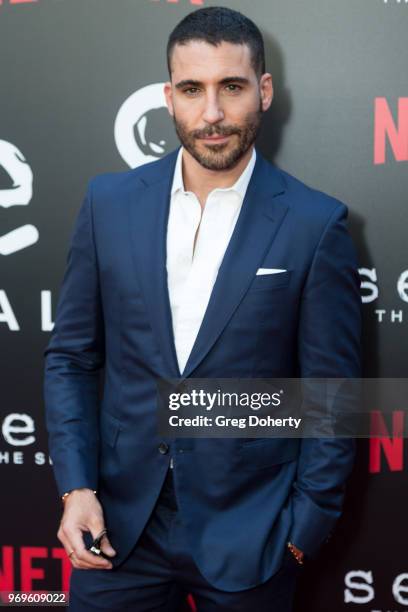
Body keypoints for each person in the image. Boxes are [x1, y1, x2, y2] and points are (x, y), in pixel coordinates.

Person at [43, 6, 362, 611]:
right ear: (169, 96)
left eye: (231, 87)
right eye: (192, 89)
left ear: (263, 91)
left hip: (252, 535)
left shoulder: (316, 224)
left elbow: (331, 394)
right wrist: (76, 488)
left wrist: (302, 533)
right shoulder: (107, 203)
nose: (211, 114)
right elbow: (71, 359)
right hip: (118, 531)